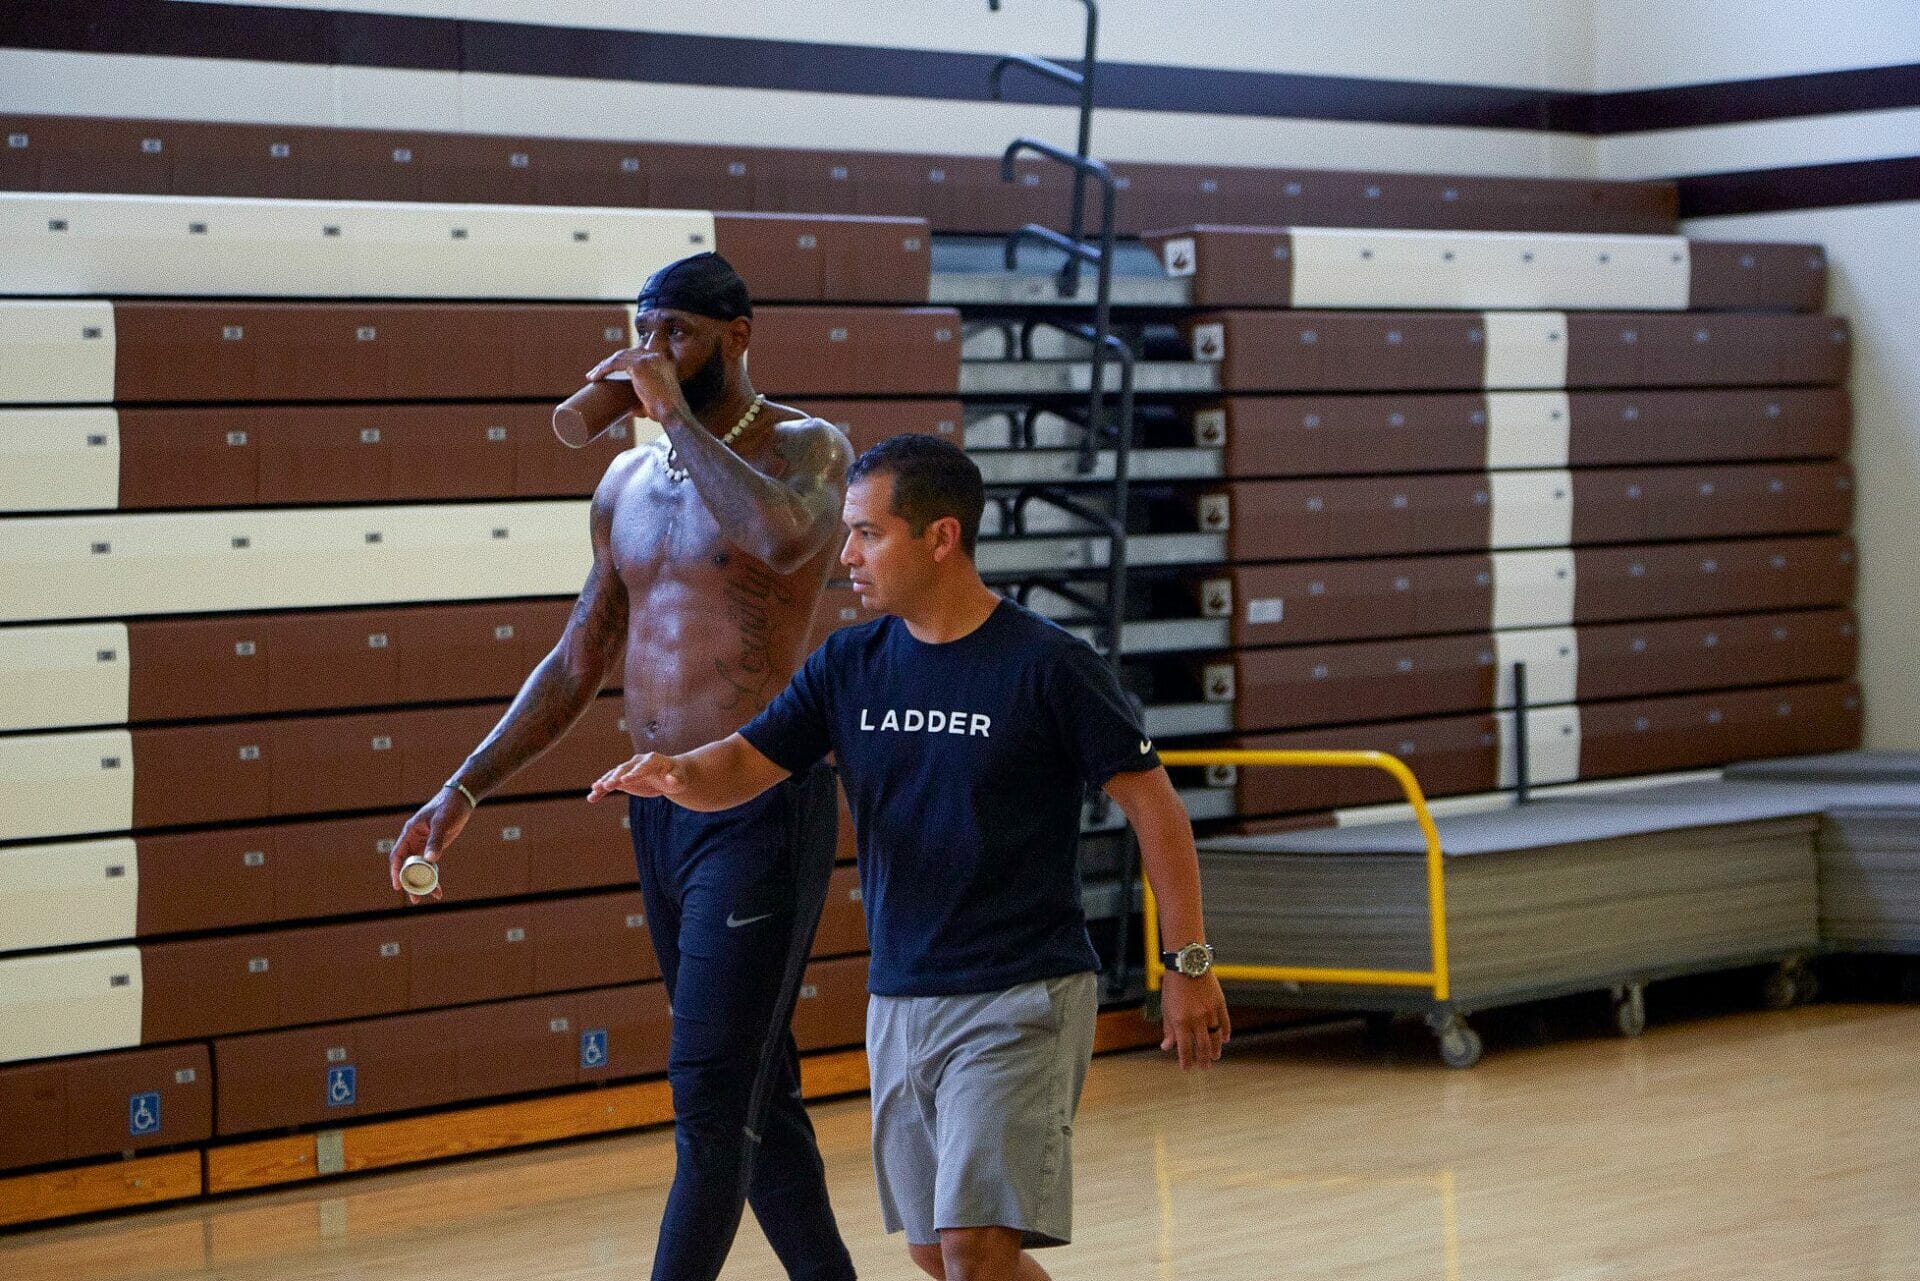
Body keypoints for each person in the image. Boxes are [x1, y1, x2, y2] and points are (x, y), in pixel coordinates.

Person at [589, 433, 1232, 1281]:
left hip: (1021, 992)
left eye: (868, 533)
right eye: (848, 532)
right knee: (938, 1249)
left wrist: (1185, 962)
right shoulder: (852, 664)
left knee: (973, 1243)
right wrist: (679, 773)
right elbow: (747, 759)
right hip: (901, 996)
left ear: (940, 538)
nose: (846, 554)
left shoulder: (1049, 665)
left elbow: (1155, 804)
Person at [388, 252, 859, 1281]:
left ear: (739, 336)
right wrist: (465, 784)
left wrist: (675, 420)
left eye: (677, 334)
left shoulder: (808, 448)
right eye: (642, 331)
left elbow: (782, 544)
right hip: (661, 814)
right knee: (754, 1098)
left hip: (761, 803)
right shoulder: (625, 482)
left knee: (705, 1097)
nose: (652, 354)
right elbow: (577, 656)